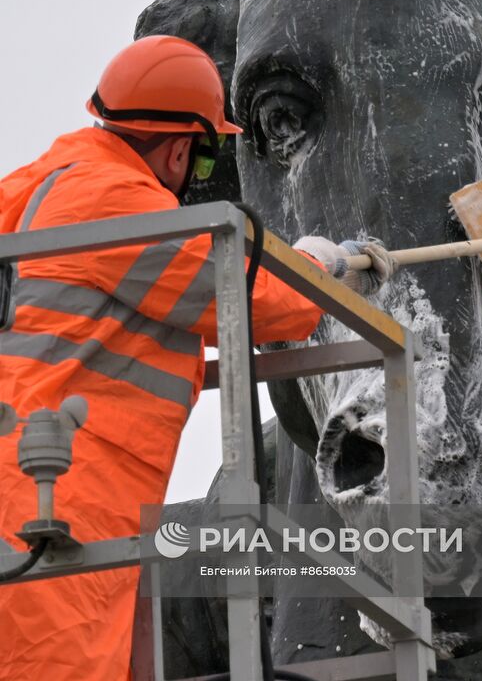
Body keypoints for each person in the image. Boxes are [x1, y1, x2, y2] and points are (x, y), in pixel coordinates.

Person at [0, 35, 394, 681]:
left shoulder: (31, 187)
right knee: (52, 661)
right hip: (65, 492)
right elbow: (252, 298)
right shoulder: (114, 202)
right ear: (183, 145)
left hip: (35, 483)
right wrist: (320, 265)